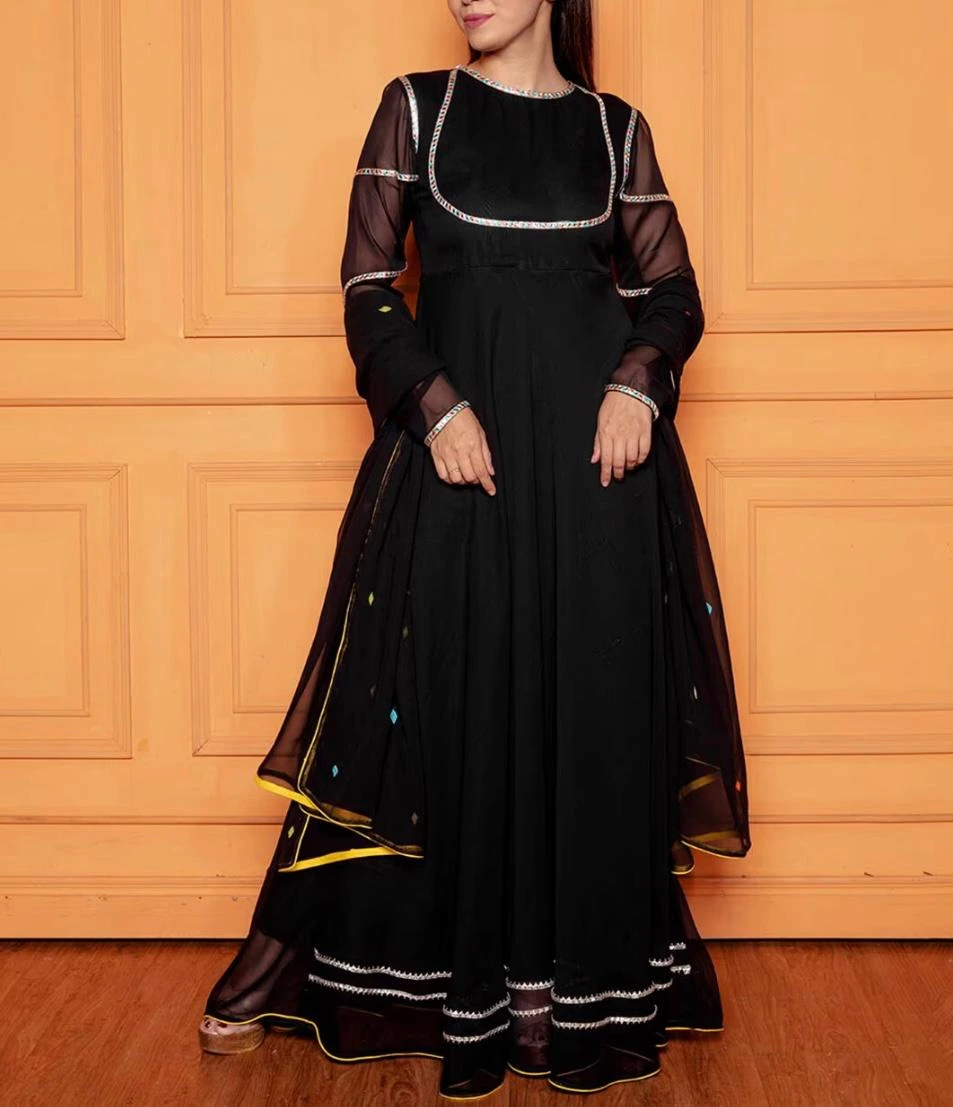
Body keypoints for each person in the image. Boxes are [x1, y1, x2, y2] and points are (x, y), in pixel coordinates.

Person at [197, 0, 750, 1098]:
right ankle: (320, 967)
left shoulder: (613, 131)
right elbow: (366, 290)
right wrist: (433, 404)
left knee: (583, 718)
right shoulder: (416, 111)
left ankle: (557, 999)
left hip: (595, 482)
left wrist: (638, 383)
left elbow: (673, 293)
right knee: (420, 711)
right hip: (462, 464)